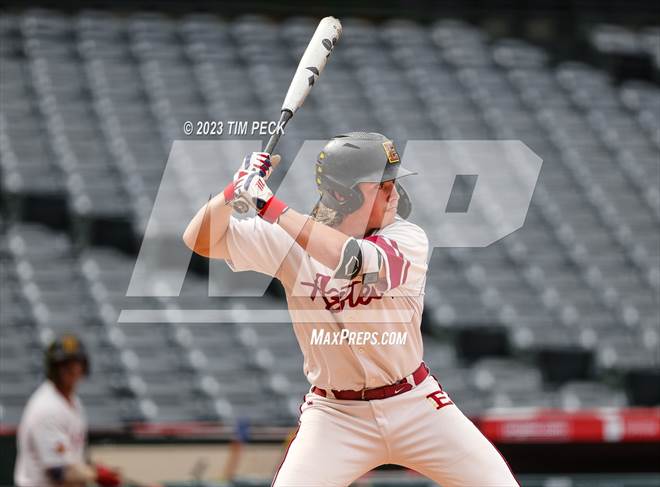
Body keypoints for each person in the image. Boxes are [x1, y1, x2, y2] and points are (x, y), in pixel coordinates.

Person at [183, 132, 518, 486]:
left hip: (414, 403)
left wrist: (270, 206)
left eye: (393, 182)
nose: (395, 193)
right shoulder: (288, 239)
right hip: (335, 415)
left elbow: (351, 260)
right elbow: (199, 240)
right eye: (382, 185)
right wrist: (232, 192)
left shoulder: (408, 237)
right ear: (344, 194)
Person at [15, 334, 122, 487]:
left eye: (76, 363)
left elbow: (72, 457)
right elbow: (59, 471)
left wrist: (95, 469)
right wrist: (95, 474)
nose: (71, 369)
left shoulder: (73, 401)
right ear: (53, 368)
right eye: (64, 364)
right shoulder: (47, 406)